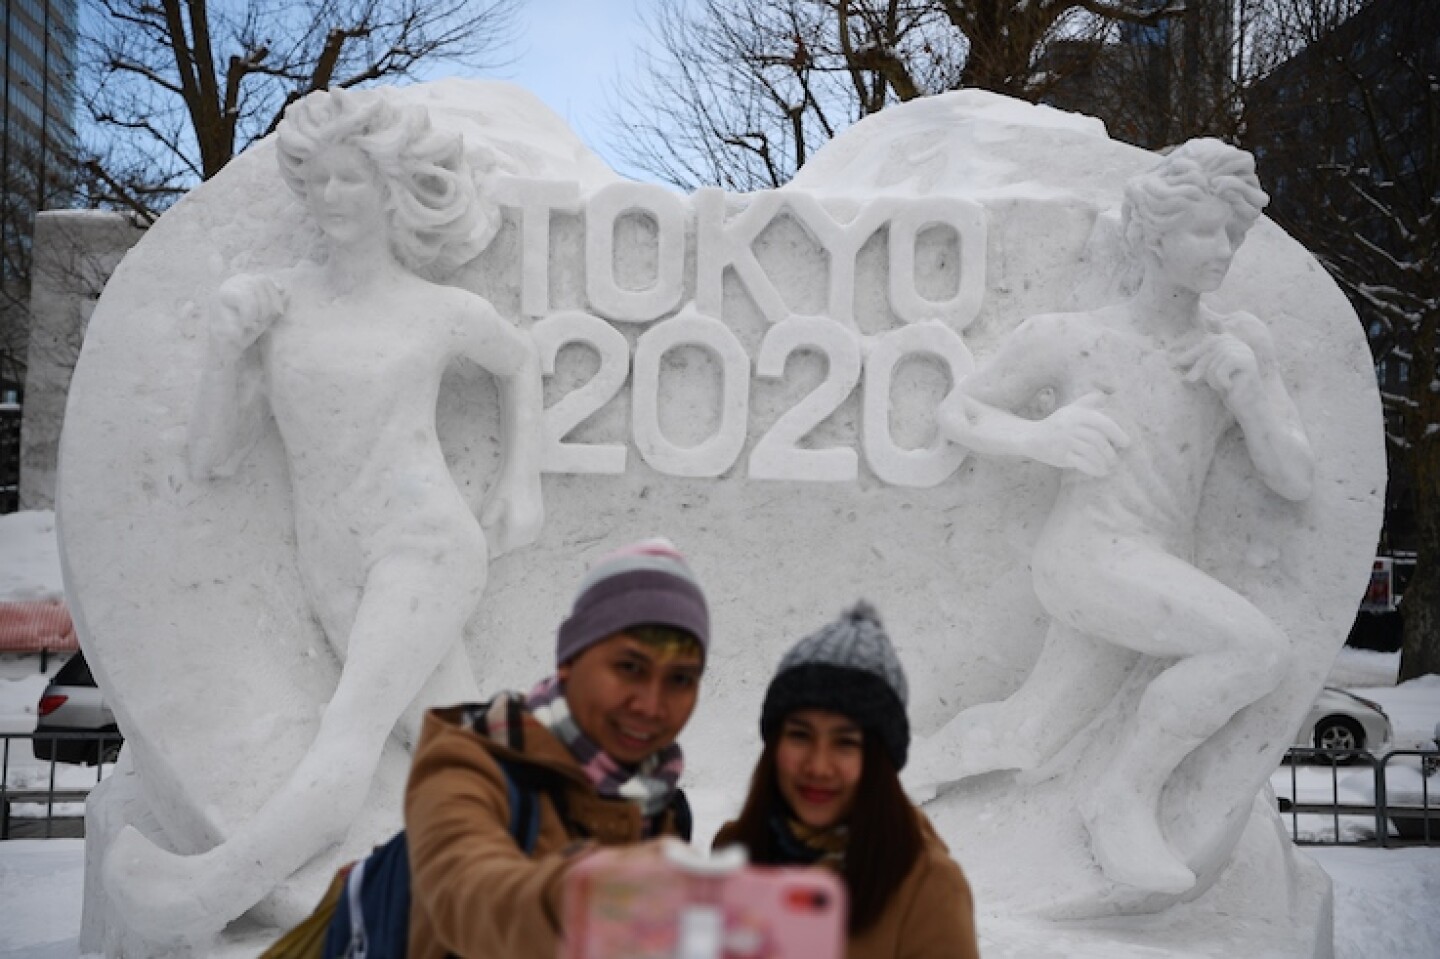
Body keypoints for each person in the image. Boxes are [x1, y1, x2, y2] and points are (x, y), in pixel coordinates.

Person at [105, 86, 545, 937]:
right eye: (320, 180)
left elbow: (518, 359)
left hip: (423, 544)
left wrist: (520, 480)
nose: (332, 197)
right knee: (458, 750)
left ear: (391, 190)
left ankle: (198, 896)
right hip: (331, 562)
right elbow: (214, 456)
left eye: (352, 179)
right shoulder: (275, 306)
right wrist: (225, 354)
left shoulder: (438, 310)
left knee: (349, 730)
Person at [922, 138, 1314, 894]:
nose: (1224, 249)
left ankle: (911, 770)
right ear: (1152, 234)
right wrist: (1042, 436)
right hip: (1087, 554)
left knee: (1031, 734)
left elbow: (1293, 476)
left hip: (1155, 564)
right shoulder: (1073, 337)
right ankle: (1124, 796)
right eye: (1206, 229)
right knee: (1253, 649)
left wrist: (1251, 396)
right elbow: (959, 407)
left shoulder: (1236, 347)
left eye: (1233, 231)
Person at [405, 537, 710, 958]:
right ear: (568, 660)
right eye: (629, 668)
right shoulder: (467, 764)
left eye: (680, 679)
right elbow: (468, 893)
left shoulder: (664, 808)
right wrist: (589, 891)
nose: (651, 706)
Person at [714, 602, 981, 959]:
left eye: (845, 742)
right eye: (800, 735)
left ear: (877, 762)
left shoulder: (930, 889)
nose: (819, 766)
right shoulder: (734, 850)